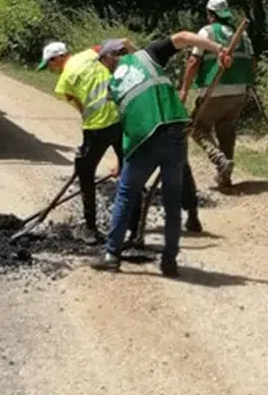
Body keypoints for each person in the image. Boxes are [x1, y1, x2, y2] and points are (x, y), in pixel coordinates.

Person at [93, 26, 230, 278]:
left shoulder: (113, 85)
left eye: (102, 61)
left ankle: (112, 254)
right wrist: (219, 49)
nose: (103, 67)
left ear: (110, 57)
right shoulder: (150, 55)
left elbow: (126, 127)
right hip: (176, 132)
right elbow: (183, 38)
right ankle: (169, 262)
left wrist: (123, 162)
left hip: (144, 139)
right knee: (172, 200)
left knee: (125, 194)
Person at [40, 38, 121, 243]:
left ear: (58, 58)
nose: (50, 69)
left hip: (96, 127)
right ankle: (135, 231)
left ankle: (90, 229)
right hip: (122, 119)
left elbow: (82, 108)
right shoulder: (90, 53)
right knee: (130, 170)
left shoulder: (64, 83)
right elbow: (115, 45)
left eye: (50, 63)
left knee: (85, 173)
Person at [181, 0, 256, 192]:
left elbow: (193, 62)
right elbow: (252, 63)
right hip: (239, 92)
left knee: (195, 127)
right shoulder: (242, 36)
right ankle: (225, 179)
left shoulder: (207, 32)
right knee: (227, 130)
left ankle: (219, 159)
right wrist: (249, 86)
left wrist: (184, 90)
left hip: (214, 91)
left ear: (210, 15)